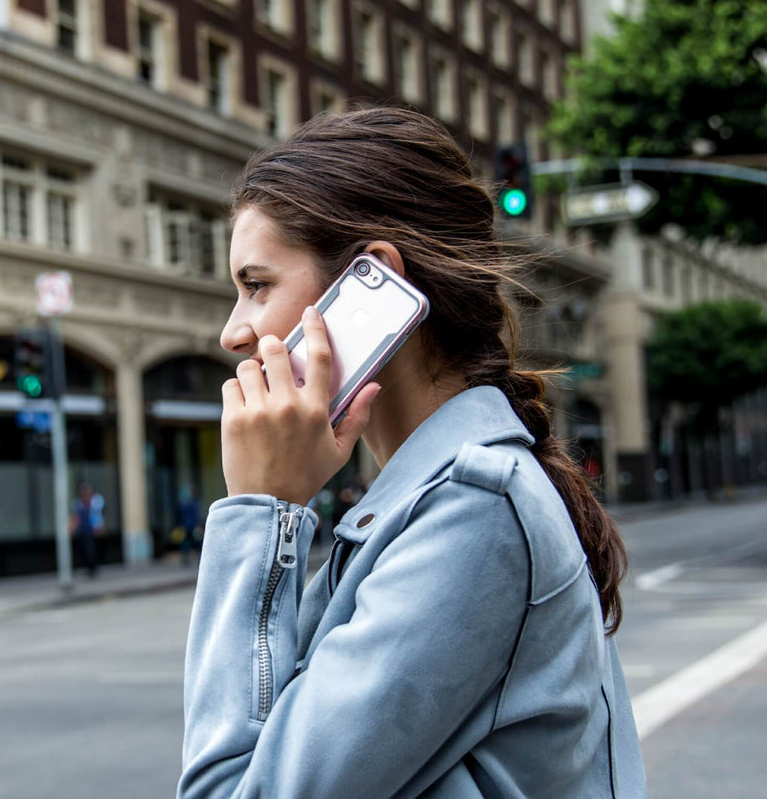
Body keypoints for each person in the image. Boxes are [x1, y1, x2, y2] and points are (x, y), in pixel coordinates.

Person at [177, 108, 646, 798]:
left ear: (370, 286)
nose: (233, 332)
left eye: (257, 285)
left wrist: (262, 510)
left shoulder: (473, 511)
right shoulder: (431, 502)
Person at [68, 480, 105, 578]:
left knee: (92, 550)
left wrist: (99, 527)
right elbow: (75, 517)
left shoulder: (95, 502)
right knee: (85, 550)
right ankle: (89, 568)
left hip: (92, 530)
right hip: (83, 530)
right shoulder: (78, 504)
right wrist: (72, 528)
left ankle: (93, 568)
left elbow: (98, 516)